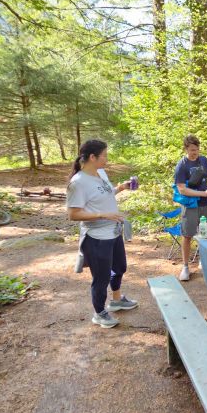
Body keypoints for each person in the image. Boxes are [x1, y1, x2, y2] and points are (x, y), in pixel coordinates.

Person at [67, 139, 139, 329]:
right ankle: (99, 313)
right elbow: (73, 214)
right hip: (97, 238)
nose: (106, 159)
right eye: (104, 155)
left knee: (120, 267)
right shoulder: (78, 182)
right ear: (92, 157)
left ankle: (116, 300)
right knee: (101, 277)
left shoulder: (100, 173)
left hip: (113, 232)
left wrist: (120, 188)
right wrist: (102, 214)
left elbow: (105, 195)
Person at [174, 134, 207, 282]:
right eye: (192, 149)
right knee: (187, 235)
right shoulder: (182, 165)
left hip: (205, 203)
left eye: (197, 149)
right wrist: (202, 193)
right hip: (190, 205)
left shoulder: (204, 160)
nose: (195, 152)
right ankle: (185, 266)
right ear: (186, 149)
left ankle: (206, 262)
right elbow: (181, 189)